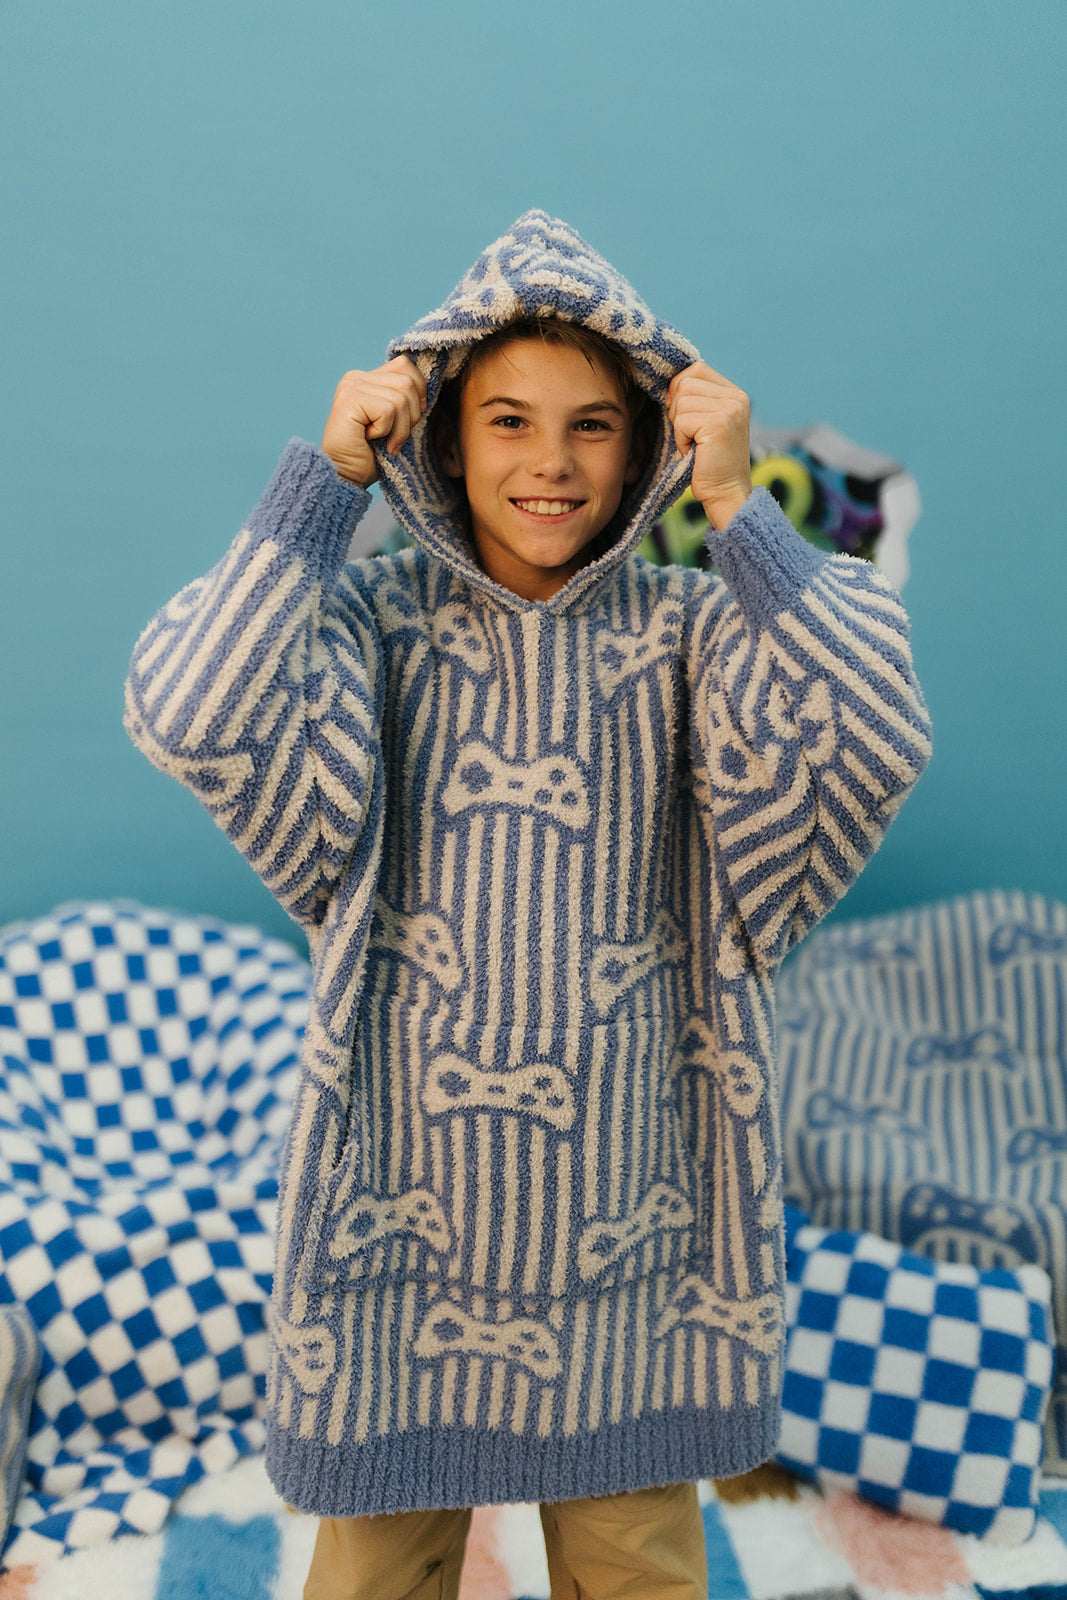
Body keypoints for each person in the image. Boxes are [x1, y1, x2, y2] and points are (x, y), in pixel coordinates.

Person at [125, 210, 932, 1599]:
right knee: (371, 1578)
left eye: (592, 427)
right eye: (507, 421)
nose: (549, 465)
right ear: (444, 438)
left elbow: (872, 730)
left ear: (651, 444)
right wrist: (318, 493)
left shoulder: (693, 636)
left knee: (641, 1575)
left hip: (644, 1258)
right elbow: (189, 709)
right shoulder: (368, 631)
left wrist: (743, 515)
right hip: (397, 1240)